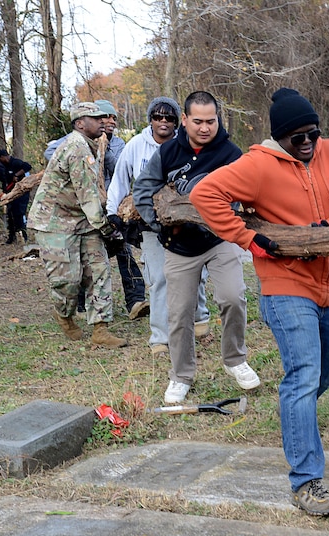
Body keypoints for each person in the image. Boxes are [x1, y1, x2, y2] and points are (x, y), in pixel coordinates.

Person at [190, 87, 329, 517]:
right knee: (304, 376)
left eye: (313, 133)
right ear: (278, 138)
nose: (307, 142)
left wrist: (324, 231)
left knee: (324, 375)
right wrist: (252, 240)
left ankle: (295, 415)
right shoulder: (257, 165)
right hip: (287, 286)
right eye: (296, 137)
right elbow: (204, 196)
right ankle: (307, 481)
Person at [133, 91, 259, 403]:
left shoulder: (230, 152)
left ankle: (235, 360)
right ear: (185, 120)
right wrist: (159, 221)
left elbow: (250, 189)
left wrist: (246, 208)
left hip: (220, 240)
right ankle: (181, 376)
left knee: (232, 297)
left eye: (211, 121)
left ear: (219, 120)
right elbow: (144, 187)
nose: (205, 128)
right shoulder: (167, 152)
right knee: (179, 313)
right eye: (198, 121)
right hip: (179, 245)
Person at [107, 96, 212, 355]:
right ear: (150, 119)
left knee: (195, 272)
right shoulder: (135, 147)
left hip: (188, 220)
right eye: (157, 116)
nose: (163, 122)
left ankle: (199, 319)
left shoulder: (188, 144)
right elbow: (120, 179)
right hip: (150, 222)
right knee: (159, 278)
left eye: (169, 117)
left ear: (178, 121)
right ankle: (160, 338)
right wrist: (113, 213)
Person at [27, 101, 128, 349]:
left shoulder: (91, 145)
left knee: (99, 269)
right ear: (80, 123)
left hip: (82, 219)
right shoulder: (76, 147)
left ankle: (100, 329)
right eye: (95, 118)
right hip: (54, 223)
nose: (102, 122)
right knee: (67, 280)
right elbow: (88, 196)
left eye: (103, 118)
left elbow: (93, 193)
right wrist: (107, 228)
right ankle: (63, 314)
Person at [94, 99, 149, 321]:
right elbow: (51, 153)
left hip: (114, 210)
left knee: (124, 252)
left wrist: (105, 150)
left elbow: (122, 168)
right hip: (86, 212)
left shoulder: (119, 145)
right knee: (89, 259)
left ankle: (136, 301)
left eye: (114, 118)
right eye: (106, 117)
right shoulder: (77, 141)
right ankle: (81, 305)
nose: (111, 121)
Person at [0, 149, 32, 244]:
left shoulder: (14, 163)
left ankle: (24, 236)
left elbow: (27, 166)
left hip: (22, 192)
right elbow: (6, 181)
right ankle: (12, 237)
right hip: (12, 192)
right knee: (11, 213)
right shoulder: (2, 167)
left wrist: (16, 175)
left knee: (19, 213)